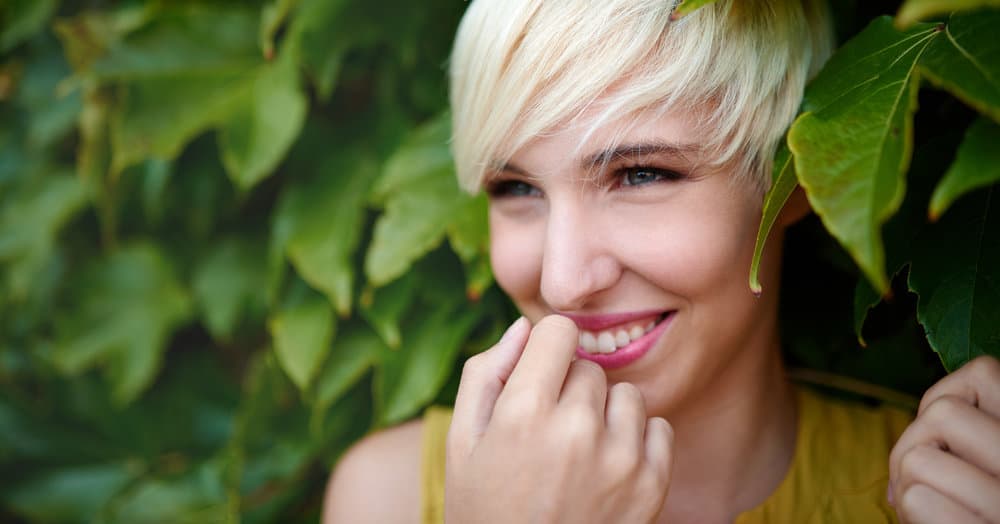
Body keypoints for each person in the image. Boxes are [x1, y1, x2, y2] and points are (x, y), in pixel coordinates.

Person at [324, 0, 1000, 522]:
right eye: (517, 189)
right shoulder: (390, 496)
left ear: (794, 180)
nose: (564, 282)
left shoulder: (952, 492)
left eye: (641, 175)